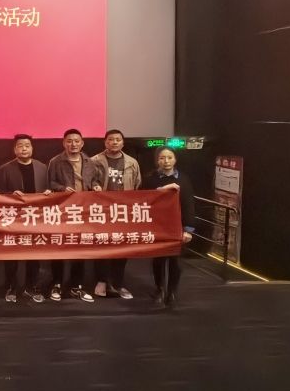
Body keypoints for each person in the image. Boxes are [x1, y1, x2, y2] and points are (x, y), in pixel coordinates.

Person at [47, 128, 102, 303]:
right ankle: (56, 284)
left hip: (83, 212)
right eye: (69, 141)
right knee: (59, 249)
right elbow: (50, 183)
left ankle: (76, 286)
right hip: (62, 211)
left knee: (80, 249)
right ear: (64, 143)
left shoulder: (90, 162)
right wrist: (62, 189)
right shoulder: (55, 161)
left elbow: (94, 180)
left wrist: (96, 186)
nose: (73, 144)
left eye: (77, 141)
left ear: (82, 143)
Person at [0, 134, 50, 303]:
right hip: (13, 218)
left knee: (34, 254)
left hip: (35, 218)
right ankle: (11, 286)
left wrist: (49, 192)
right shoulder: (5, 168)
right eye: (20, 146)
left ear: (32, 148)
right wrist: (10, 194)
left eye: (27, 145)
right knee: (12, 255)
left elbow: (49, 188)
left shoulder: (42, 167)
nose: (24, 149)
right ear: (15, 149)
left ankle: (31, 287)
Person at [141, 146, 195, 307]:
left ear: (175, 159)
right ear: (157, 160)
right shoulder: (150, 179)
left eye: (169, 157)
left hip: (177, 226)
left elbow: (188, 205)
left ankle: (172, 292)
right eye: (162, 158)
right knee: (158, 260)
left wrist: (188, 229)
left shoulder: (183, 179)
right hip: (158, 226)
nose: (166, 161)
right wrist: (161, 190)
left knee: (175, 262)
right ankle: (160, 289)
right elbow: (143, 199)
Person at [91, 129, 141, 299]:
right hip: (102, 211)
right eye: (110, 139)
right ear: (105, 142)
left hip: (123, 212)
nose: (114, 142)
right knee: (102, 245)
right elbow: (89, 181)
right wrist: (95, 186)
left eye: (117, 139)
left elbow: (137, 184)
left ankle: (118, 283)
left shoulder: (132, 162)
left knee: (122, 247)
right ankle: (101, 281)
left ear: (123, 142)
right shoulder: (95, 161)